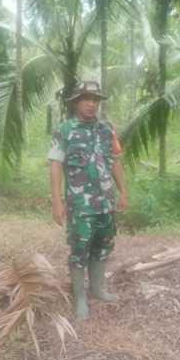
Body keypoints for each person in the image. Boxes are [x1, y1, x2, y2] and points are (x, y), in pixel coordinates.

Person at [48, 80, 128, 320]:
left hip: (105, 203)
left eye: (95, 100)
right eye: (86, 99)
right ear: (76, 102)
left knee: (103, 246)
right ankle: (80, 297)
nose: (91, 104)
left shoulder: (107, 129)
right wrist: (56, 201)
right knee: (79, 249)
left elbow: (115, 161)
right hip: (80, 205)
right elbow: (55, 165)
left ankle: (97, 289)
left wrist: (123, 191)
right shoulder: (64, 130)